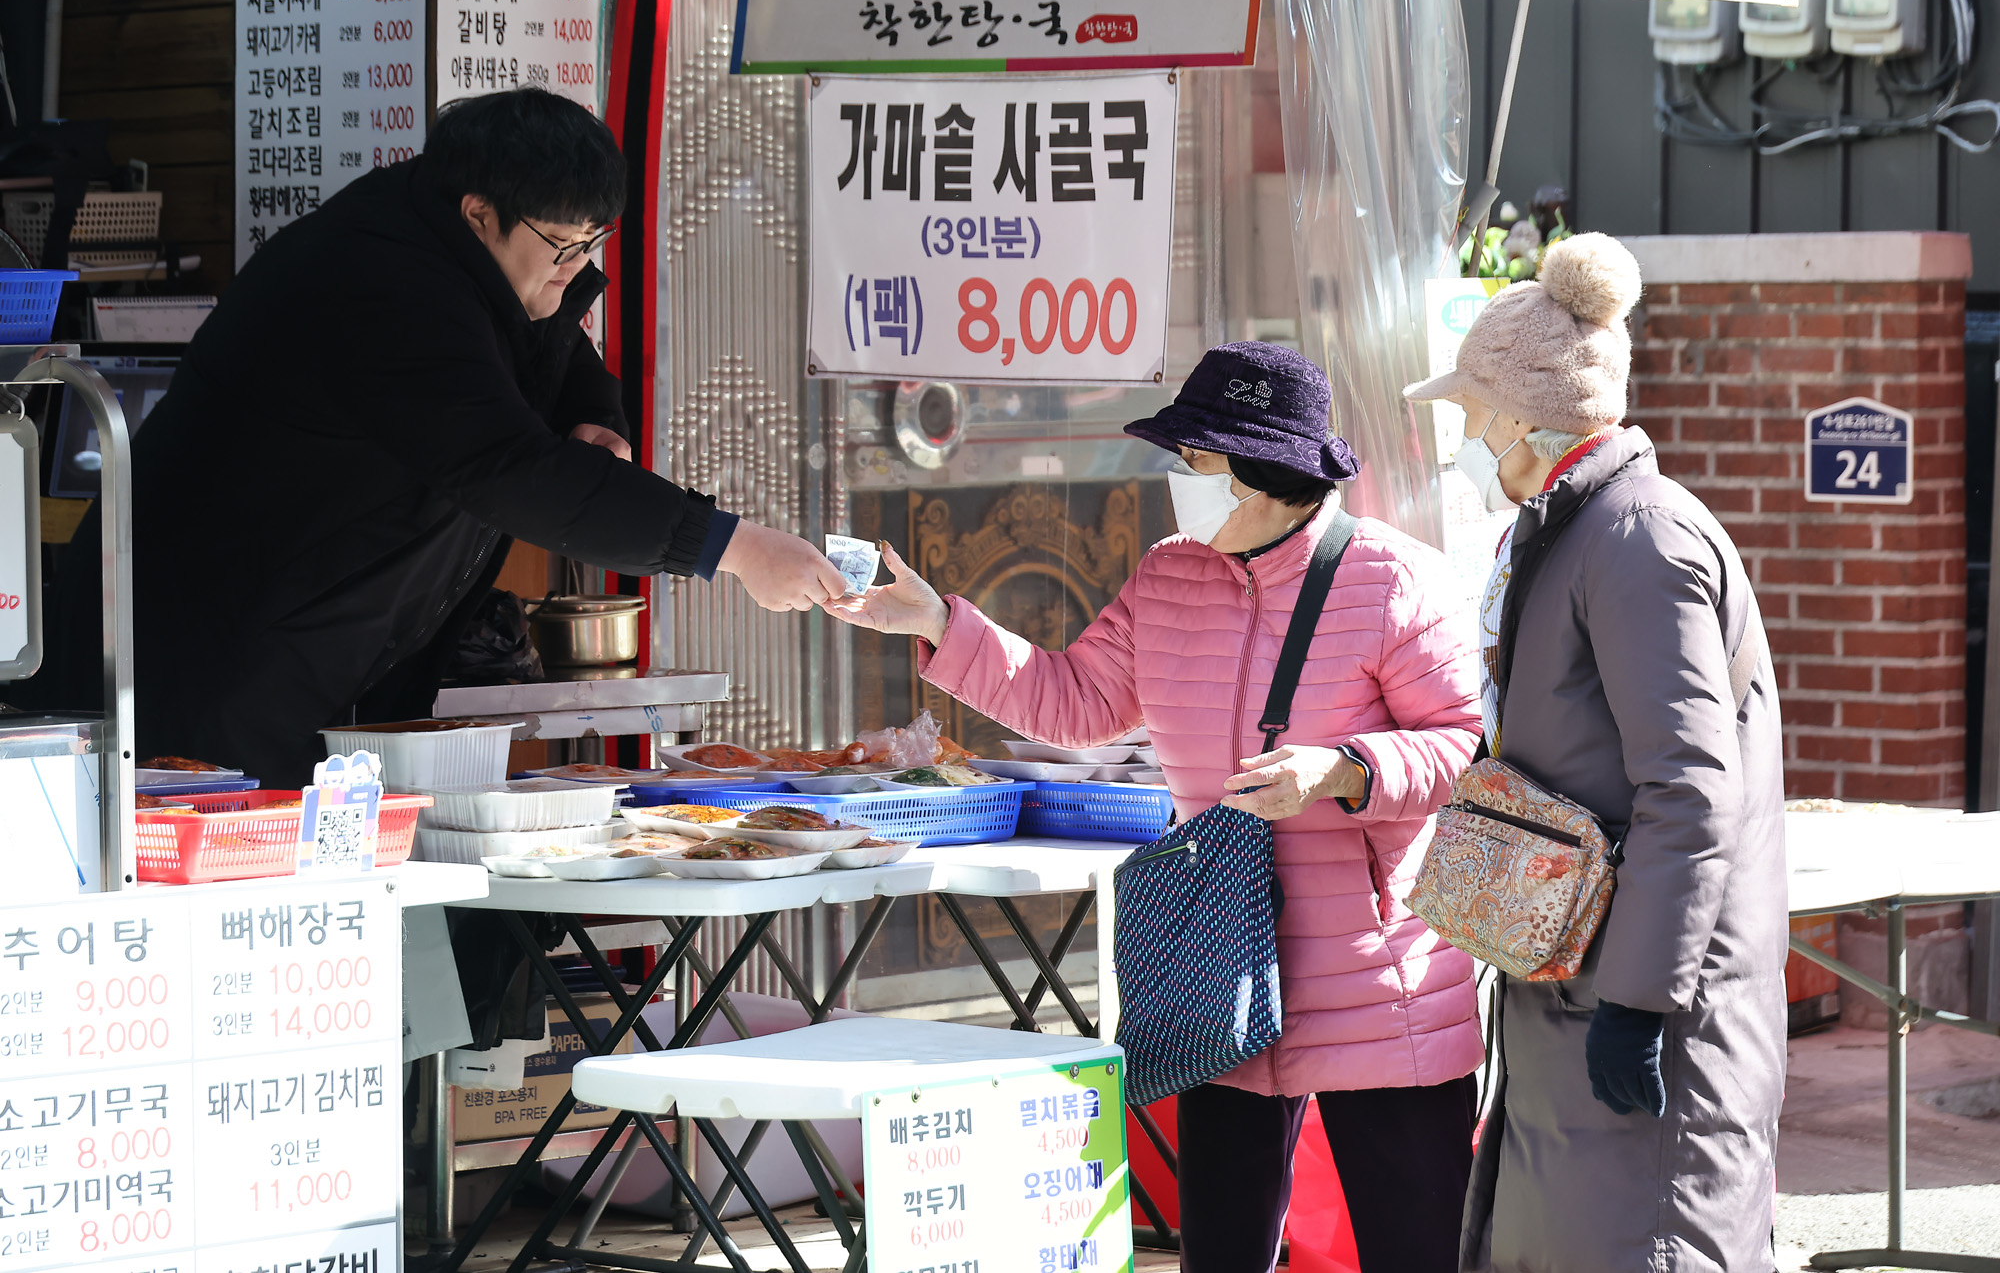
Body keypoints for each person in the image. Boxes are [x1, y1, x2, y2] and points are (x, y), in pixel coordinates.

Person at [830, 342, 1485, 1273]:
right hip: (1215, 976)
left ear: (1265, 473)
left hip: (1378, 991)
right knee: (1218, 1255)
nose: (1183, 483)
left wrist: (1342, 771)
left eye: (1199, 465)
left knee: (1411, 1253)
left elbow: (1468, 749)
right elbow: (1076, 703)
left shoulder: (1391, 581)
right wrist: (941, 622)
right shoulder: (1170, 574)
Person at [44, 88, 847, 785]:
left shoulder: (468, 253)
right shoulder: (381, 282)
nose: (576, 267)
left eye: (593, 246)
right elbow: (506, 467)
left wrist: (596, 418)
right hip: (203, 671)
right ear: (478, 214)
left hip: (315, 664)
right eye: (562, 247)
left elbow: (554, 342)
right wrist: (731, 548)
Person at [1403, 233, 1786, 1272]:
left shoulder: (1635, 539)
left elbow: (1689, 790)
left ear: (1524, 418)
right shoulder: (1587, 526)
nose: (1464, 436)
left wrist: (1634, 1000)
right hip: (1590, 982)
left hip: (1641, 1001)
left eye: (1471, 414)